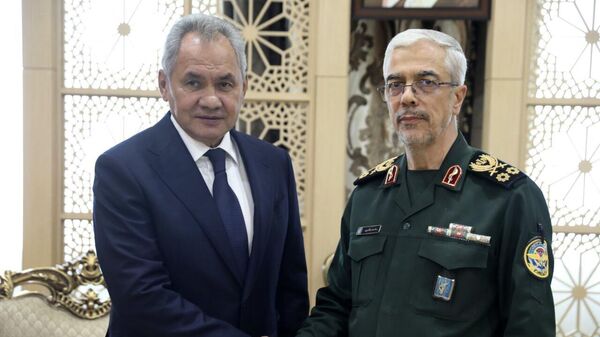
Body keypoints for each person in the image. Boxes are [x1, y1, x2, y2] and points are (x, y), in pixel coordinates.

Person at [296, 29, 555, 337]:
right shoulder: (368, 195)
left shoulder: (509, 198)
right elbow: (336, 307)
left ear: (458, 97)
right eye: (395, 84)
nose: (406, 97)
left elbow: (529, 327)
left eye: (426, 82)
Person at [93, 13, 308, 337]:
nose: (211, 99)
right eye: (193, 82)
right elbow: (142, 299)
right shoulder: (122, 170)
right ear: (164, 85)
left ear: (244, 87)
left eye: (225, 84)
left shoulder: (273, 163)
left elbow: (290, 285)